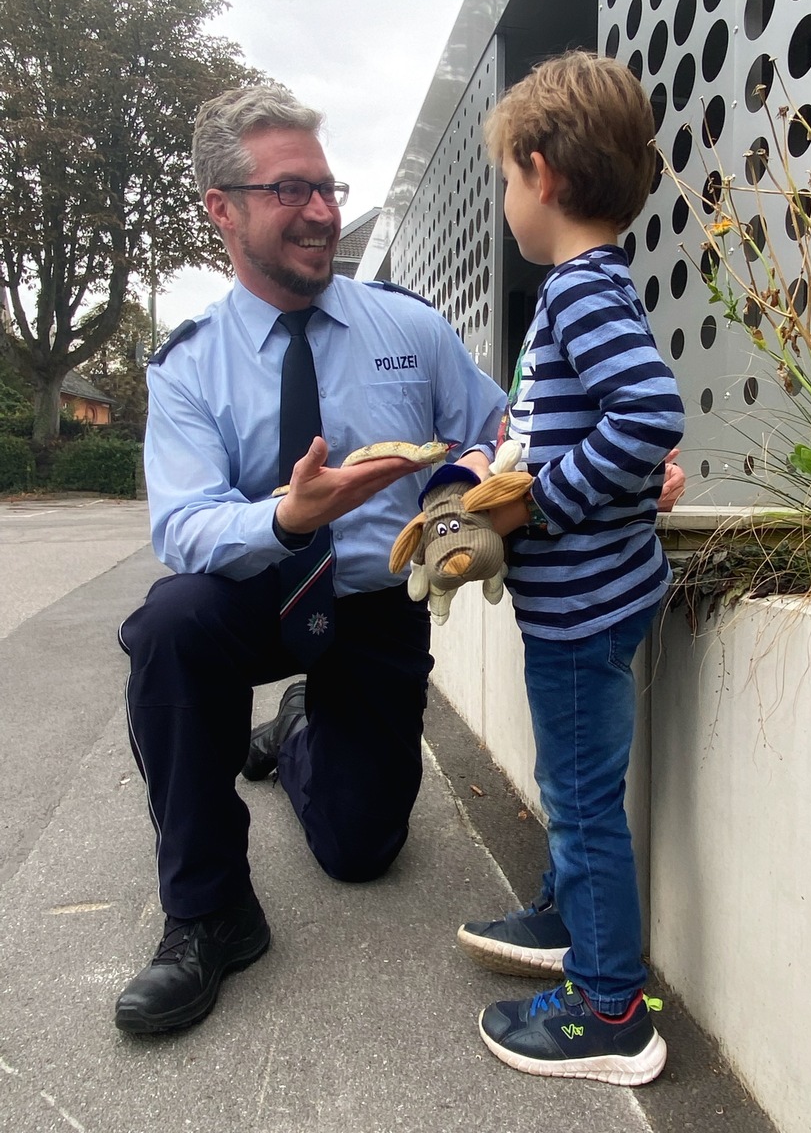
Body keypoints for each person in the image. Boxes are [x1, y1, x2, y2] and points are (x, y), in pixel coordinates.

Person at [114, 83, 508, 1034]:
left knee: (361, 851)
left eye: (328, 187)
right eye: (292, 190)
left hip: (374, 606)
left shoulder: (406, 327)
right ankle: (209, 914)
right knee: (168, 627)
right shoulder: (189, 365)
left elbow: (501, 426)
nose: (324, 212)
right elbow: (185, 526)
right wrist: (286, 519)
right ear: (224, 207)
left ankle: (297, 730)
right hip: (257, 596)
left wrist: (620, 456)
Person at [452, 51, 685, 1085]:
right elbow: (607, 426)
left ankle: (609, 1011)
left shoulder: (579, 291)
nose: (506, 199)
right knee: (576, 785)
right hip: (592, 598)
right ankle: (563, 912)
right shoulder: (585, 290)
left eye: (504, 179)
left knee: (584, 797)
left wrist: (542, 498)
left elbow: (647, 415)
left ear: (541, 175)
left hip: (581, 612)